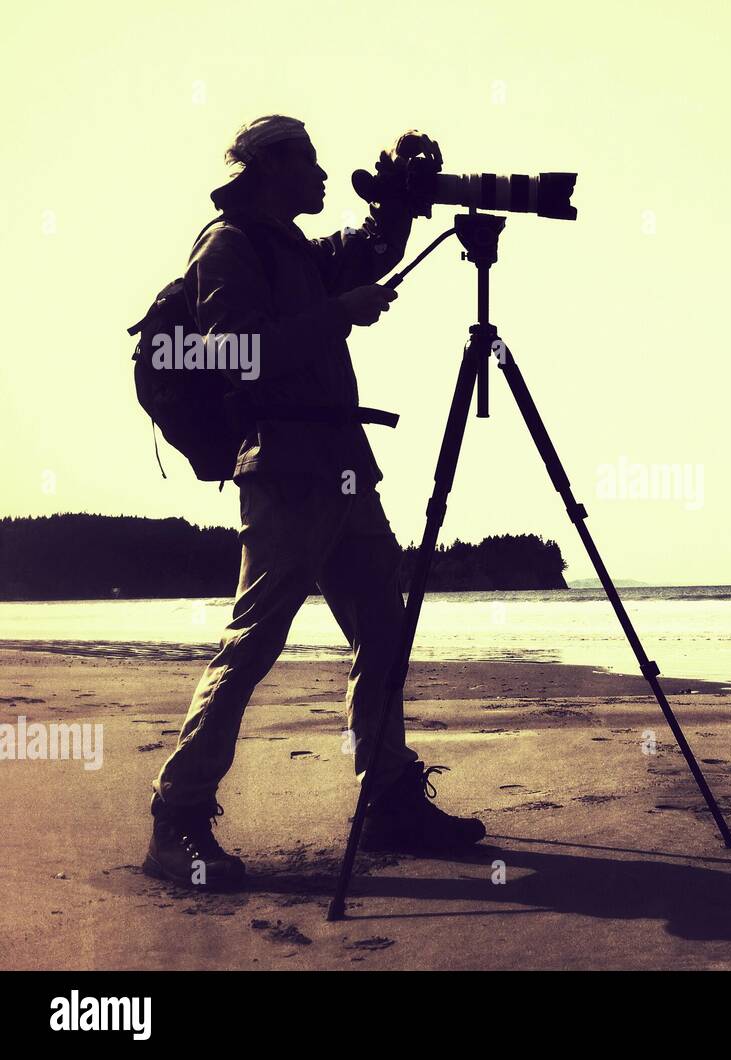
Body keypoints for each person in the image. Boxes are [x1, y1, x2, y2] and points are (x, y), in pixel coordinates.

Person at [143, 115, 485, 892]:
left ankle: (390, 797)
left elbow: (360, 255)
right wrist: (339, 313)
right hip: (288, 470)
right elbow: (235, 354)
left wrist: (397, 205)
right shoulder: (228, 246)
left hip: (341, 467)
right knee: (252, 645)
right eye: (310, 162)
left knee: (384, 632)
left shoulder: (292, 248)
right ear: (268, 169)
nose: (325, 173)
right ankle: (177, 818)